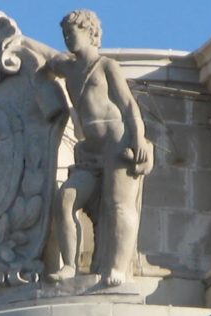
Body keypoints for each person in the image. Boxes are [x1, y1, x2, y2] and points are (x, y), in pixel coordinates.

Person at [45, 10, 153, 286]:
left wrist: (138, 138)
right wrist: (17, 42)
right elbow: (46, 56)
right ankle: (70, 265)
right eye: (65, 34)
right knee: (65, 200)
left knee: (119, 205)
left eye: (74, 32)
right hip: (90, 150)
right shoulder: (67, 67)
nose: (68, 38)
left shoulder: (107, 66)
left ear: (91, 34)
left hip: (117, 142)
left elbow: (128, 104)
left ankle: (117, 267)